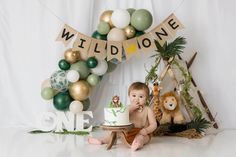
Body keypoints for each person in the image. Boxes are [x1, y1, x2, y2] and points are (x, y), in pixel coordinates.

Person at [88, 82, 157, 151]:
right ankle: (102, 140)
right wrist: (130, 109)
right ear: (129, 96)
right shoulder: (127, 108)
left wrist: (146, 130)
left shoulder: (148, 110)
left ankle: (137, 144)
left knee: (141, 138)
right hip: (127, 131)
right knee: (115, 133)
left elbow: (154, 124)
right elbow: (120, 118)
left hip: (141, 132)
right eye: (134, 96)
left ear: (147, 98)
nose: (137, 99)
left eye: (141, 97)